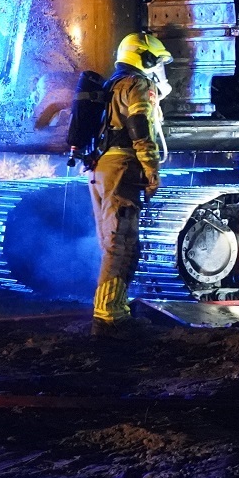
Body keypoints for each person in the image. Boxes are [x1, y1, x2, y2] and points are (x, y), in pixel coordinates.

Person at [88, 32, 170, 332]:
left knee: (111, 241)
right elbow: (139, 127)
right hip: (122, 167)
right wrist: (151, 169)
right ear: (144, 57)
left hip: (100, 167)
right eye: (155, 61)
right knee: (121, 242)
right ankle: (109, 317)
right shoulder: (137, 84)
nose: (158, 69)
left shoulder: (110, 85)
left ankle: (111, 309)